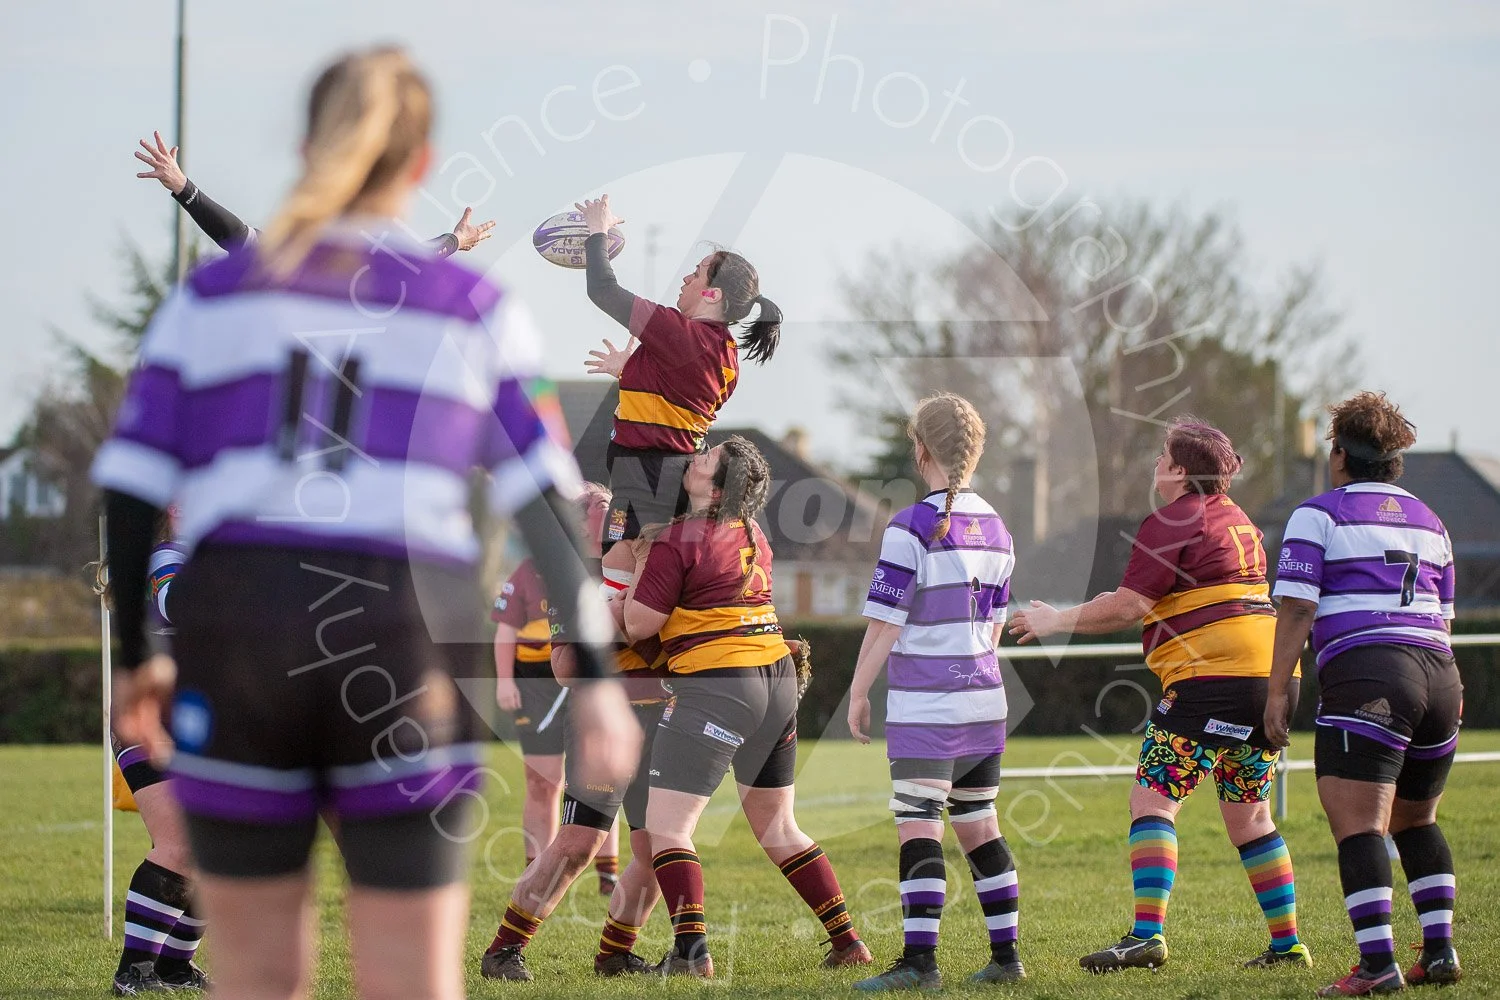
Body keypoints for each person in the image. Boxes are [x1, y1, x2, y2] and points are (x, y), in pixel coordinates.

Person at [95, 47, 638, 1000]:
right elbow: (548, 506)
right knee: (413, 979)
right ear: (420, 165)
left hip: (239, 636)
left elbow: (132, 483)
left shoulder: (211, 299)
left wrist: (139, 654)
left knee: (256, 978)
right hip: (392, 636)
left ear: (307, 146)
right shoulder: (470, 305)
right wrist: (594, 680)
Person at [1011, 418, 1311, 975]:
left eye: (1161, 457)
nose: (1155, 465)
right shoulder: (1237, 519)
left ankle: (1147, 937)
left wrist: (1055, 620)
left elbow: (1127, 607)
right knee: (1251, 818)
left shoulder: (1174, 517)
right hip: (1273, 681)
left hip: (1211, 683)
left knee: (1152, 802)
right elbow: (1178, 597)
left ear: (1179, 471)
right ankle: (1288, 944)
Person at [615, 436, 873, 978]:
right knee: (779, 827)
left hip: (720, 683)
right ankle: (847, 940)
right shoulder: (753, 532)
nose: (698, 455)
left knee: (667, 828)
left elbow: (640, 625)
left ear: (717, 486)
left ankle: (690, 953)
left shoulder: (679, 539)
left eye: (707, 458)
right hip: (777, 678)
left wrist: (617, 591)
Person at [1264, 392, 1462, 996]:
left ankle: (1377, 964)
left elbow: (1298, 608)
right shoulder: (1432, 520)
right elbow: (1443, 620)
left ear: (1339, 454)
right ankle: (1440, 951)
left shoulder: (1319, 514)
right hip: (1441, 676)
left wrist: (1278, 692)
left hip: (1372, 674)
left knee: (1360, 827)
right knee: (1416, 819)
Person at [843, 393, 1023, 991]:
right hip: (984, 701)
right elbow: (994, 626)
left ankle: (920, 964)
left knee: (919, 825)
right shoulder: (998, 527)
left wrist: (858, 692)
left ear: (920, 451)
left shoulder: (909, 526)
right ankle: (1007, 959)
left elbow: (886, 622)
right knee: (980, 823)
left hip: (927, 703)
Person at [482, 487, 675, 982]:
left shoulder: (664, 555)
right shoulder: (570, 576)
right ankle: (504, 949)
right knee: (577, 843)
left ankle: (615, 954)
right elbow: (565, 667)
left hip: (667, 714)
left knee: (659, 846)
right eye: (599, 513)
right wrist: (626, 619)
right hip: (604, 716)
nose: (614, 519)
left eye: (615, 511)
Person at [572, 194, 783, 595]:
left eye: (699, 272)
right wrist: (631, 371)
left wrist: (597, 233)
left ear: (713, 295)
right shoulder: (725, 354)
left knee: (622, 590)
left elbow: (602, 289)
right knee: (620, 576)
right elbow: (678, 400)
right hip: (658, 476)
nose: (687, 278)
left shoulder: (682, 335)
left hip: (647, 476)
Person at [492, 482, 621, 889]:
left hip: (596, 682)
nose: (610, 510)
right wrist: (504, 682)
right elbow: (505, 631)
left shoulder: (623, 562)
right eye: (597, 505)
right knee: (544, 780)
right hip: (539, 682)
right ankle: (537, 869)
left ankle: (607, 872)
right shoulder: (538, 566)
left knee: (600, 775)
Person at [111, 510, 211, 996]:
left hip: (204, 726)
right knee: (179, 842)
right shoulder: (167, 558)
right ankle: (134, 970)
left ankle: (174, 967)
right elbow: (175, 602)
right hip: (152, 723)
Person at [133, 129, 493, 256]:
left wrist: (456, 239)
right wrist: (183, 188)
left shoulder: (370, 264)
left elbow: (422, 257)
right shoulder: (297, 259)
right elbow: (237, 237)